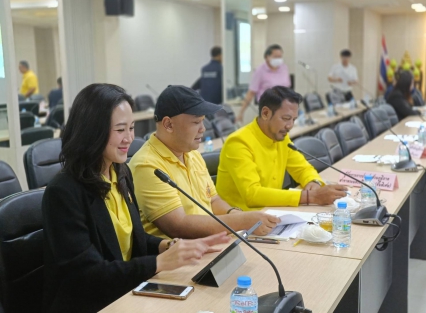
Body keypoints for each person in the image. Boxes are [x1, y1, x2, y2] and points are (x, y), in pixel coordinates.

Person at [42, 83, 230, 313]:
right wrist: (159, 263)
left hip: (126, 292)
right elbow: (86, 275)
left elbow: (135, 241)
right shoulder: (63, 192)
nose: (129, 138)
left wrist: (169, 246)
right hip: (95, 304)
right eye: (120, 130)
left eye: (131, 128)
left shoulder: (120, 172)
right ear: (92, 131)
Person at [129, 85, 279, 239]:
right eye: (196, 122)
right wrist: (241, 221)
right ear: (168, 124)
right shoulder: (147, 165)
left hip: (209, 243)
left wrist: (233, 213)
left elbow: (213, 200)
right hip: (181, 256)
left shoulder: (192, 153)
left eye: (203, 121)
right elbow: (179, 226)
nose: (203, 129)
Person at [217, 86, 347, 211]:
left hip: (271, 214)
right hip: (240, 224)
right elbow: (252, 194)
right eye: (286, 118)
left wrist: (314, 182)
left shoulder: (281, 138)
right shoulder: (238, 143)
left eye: (294, 119)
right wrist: (311, 196)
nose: (290, 126)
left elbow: (302, 168)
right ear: (266, 113)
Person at [236, 44, 291, 123]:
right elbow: (251, 92)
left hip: (283, 107)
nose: (278, 59)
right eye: (275, 56)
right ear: (267, 57)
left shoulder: (284, 68)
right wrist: (241, 112)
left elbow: (287, 88)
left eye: (280, 56)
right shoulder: (260, 71)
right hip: (268, 108)